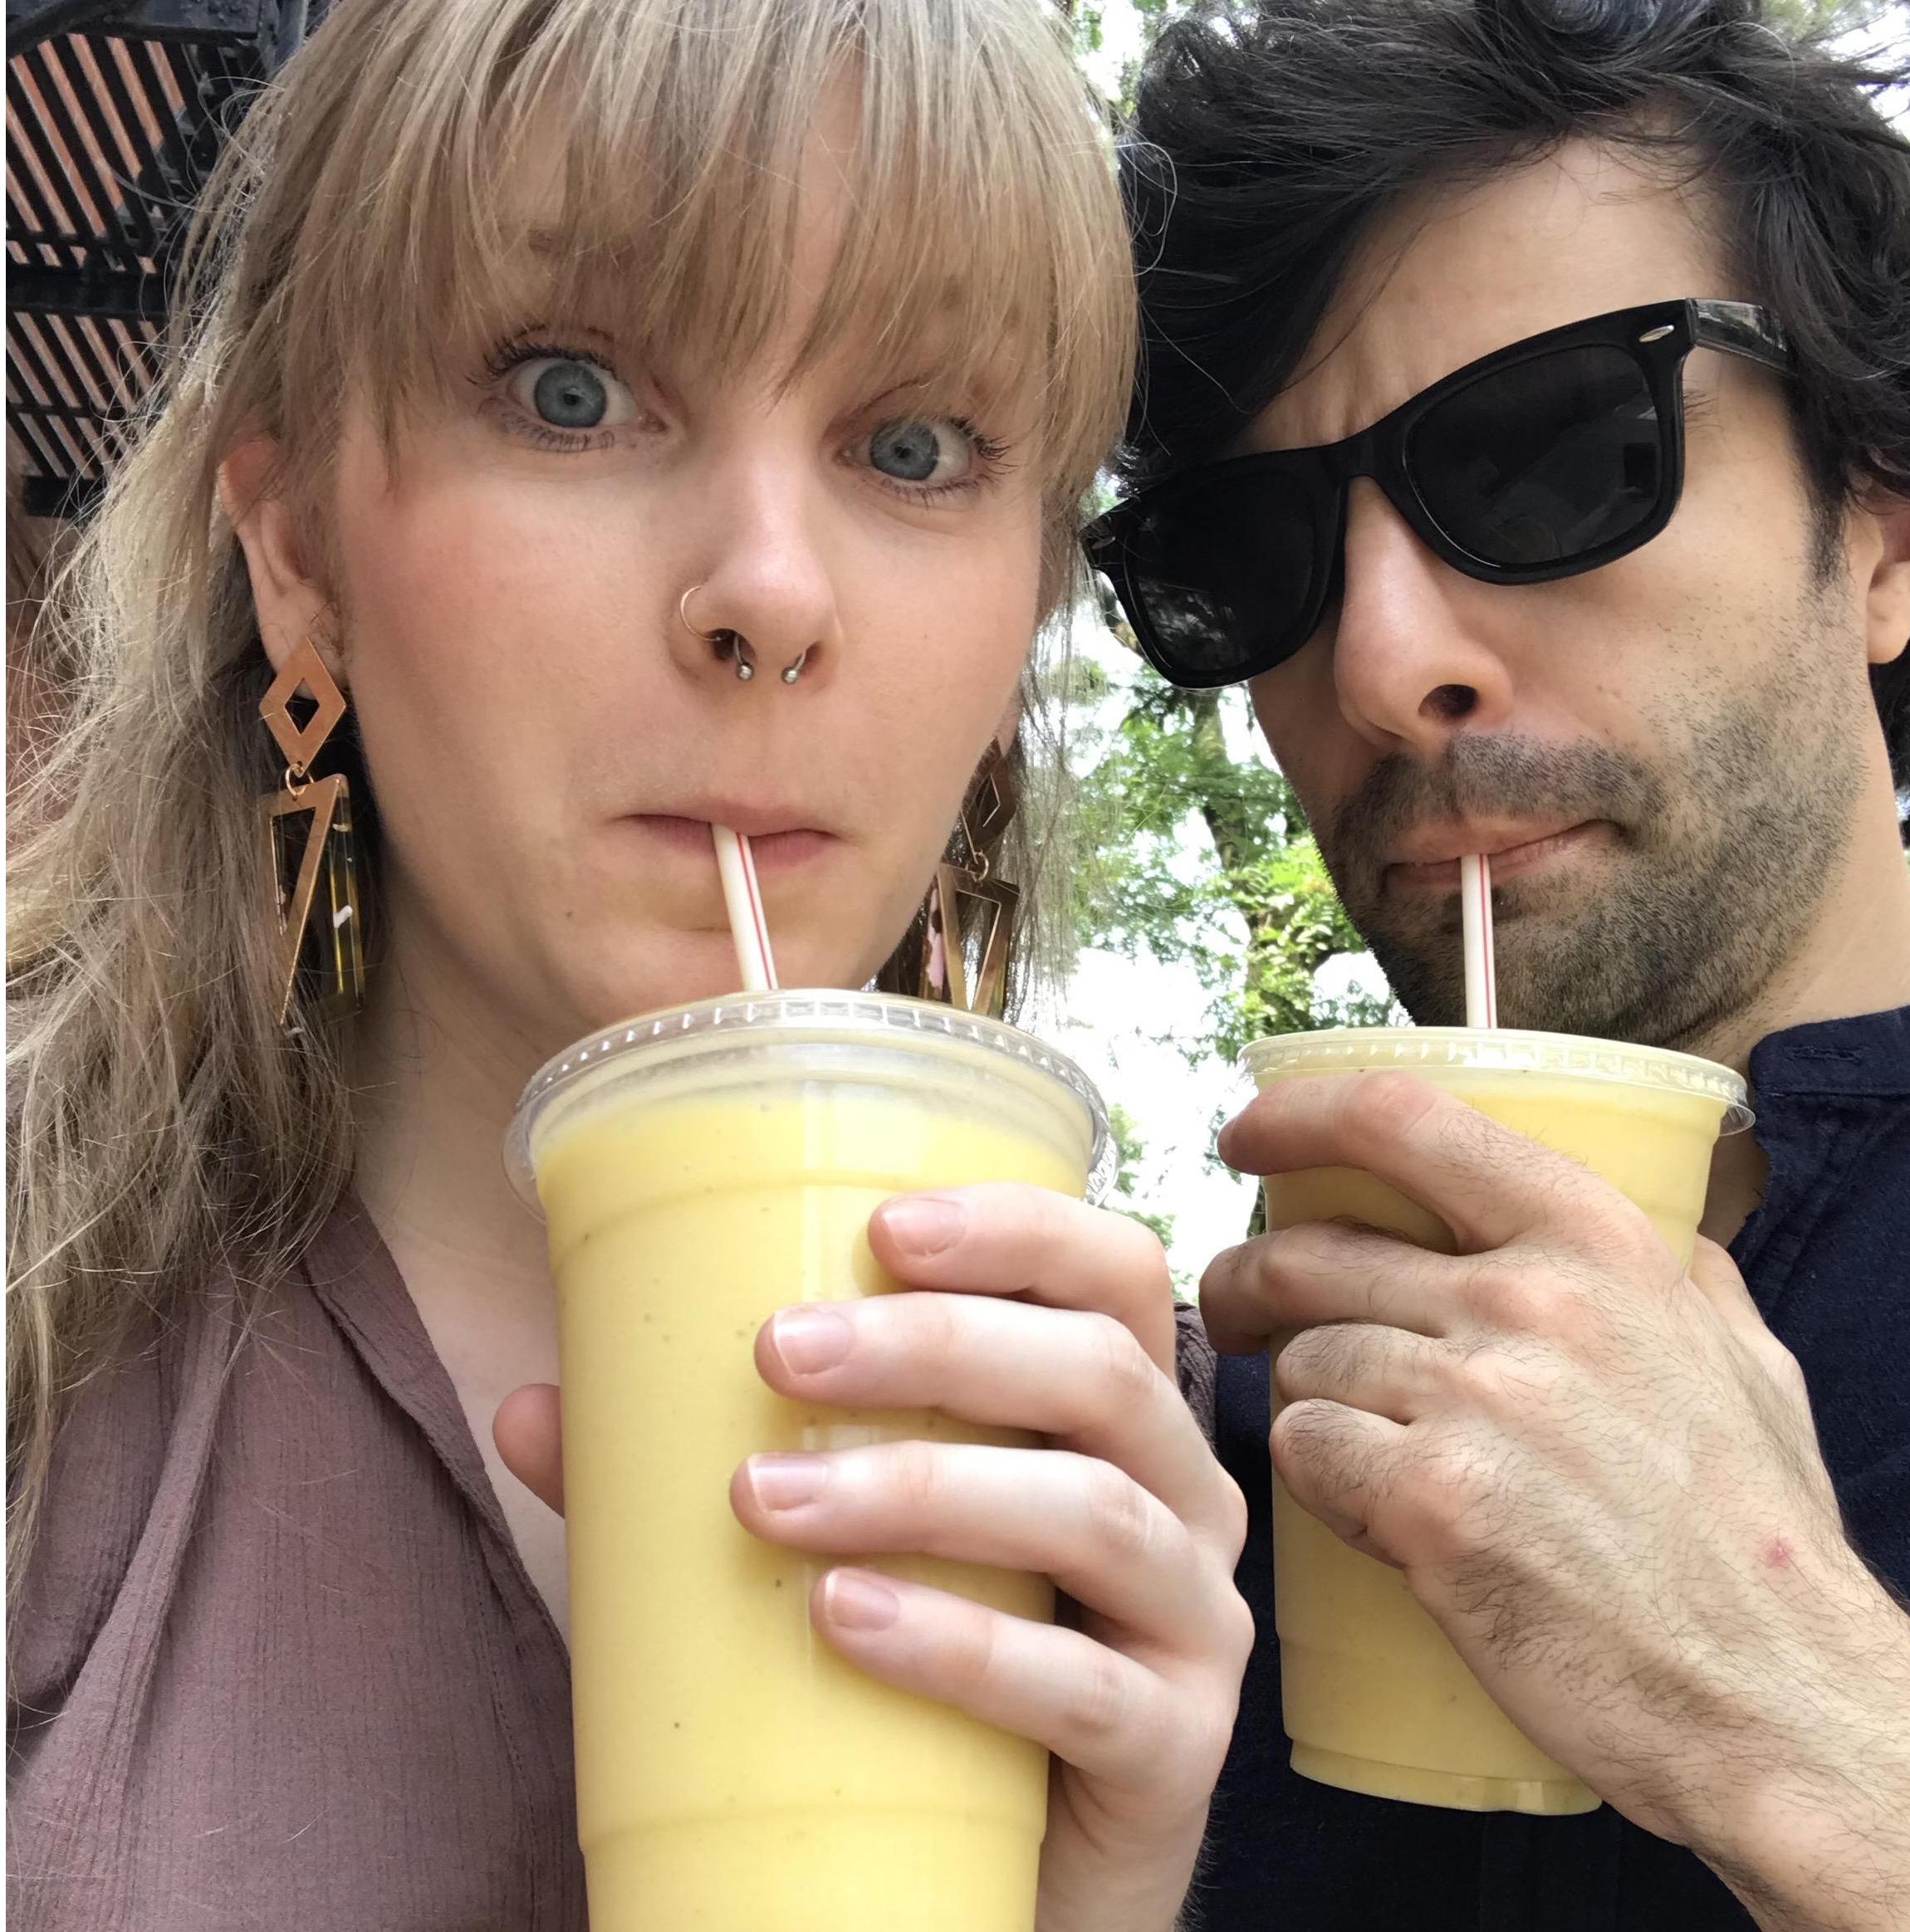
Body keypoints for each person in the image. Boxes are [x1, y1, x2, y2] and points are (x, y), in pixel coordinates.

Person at [3, 3, 1253, 1927]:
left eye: (913, 445)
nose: (770, 589)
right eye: (571, 391)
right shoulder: (41, 1365)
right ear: (297, 552)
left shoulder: (1103, 1477)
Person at [1088, 0, 1910, 1925]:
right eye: (1253, 551)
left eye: (1555, 454)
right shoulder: (1205, 1501)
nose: (1382, 664)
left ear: (1889, 533)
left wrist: (1825, 1721)